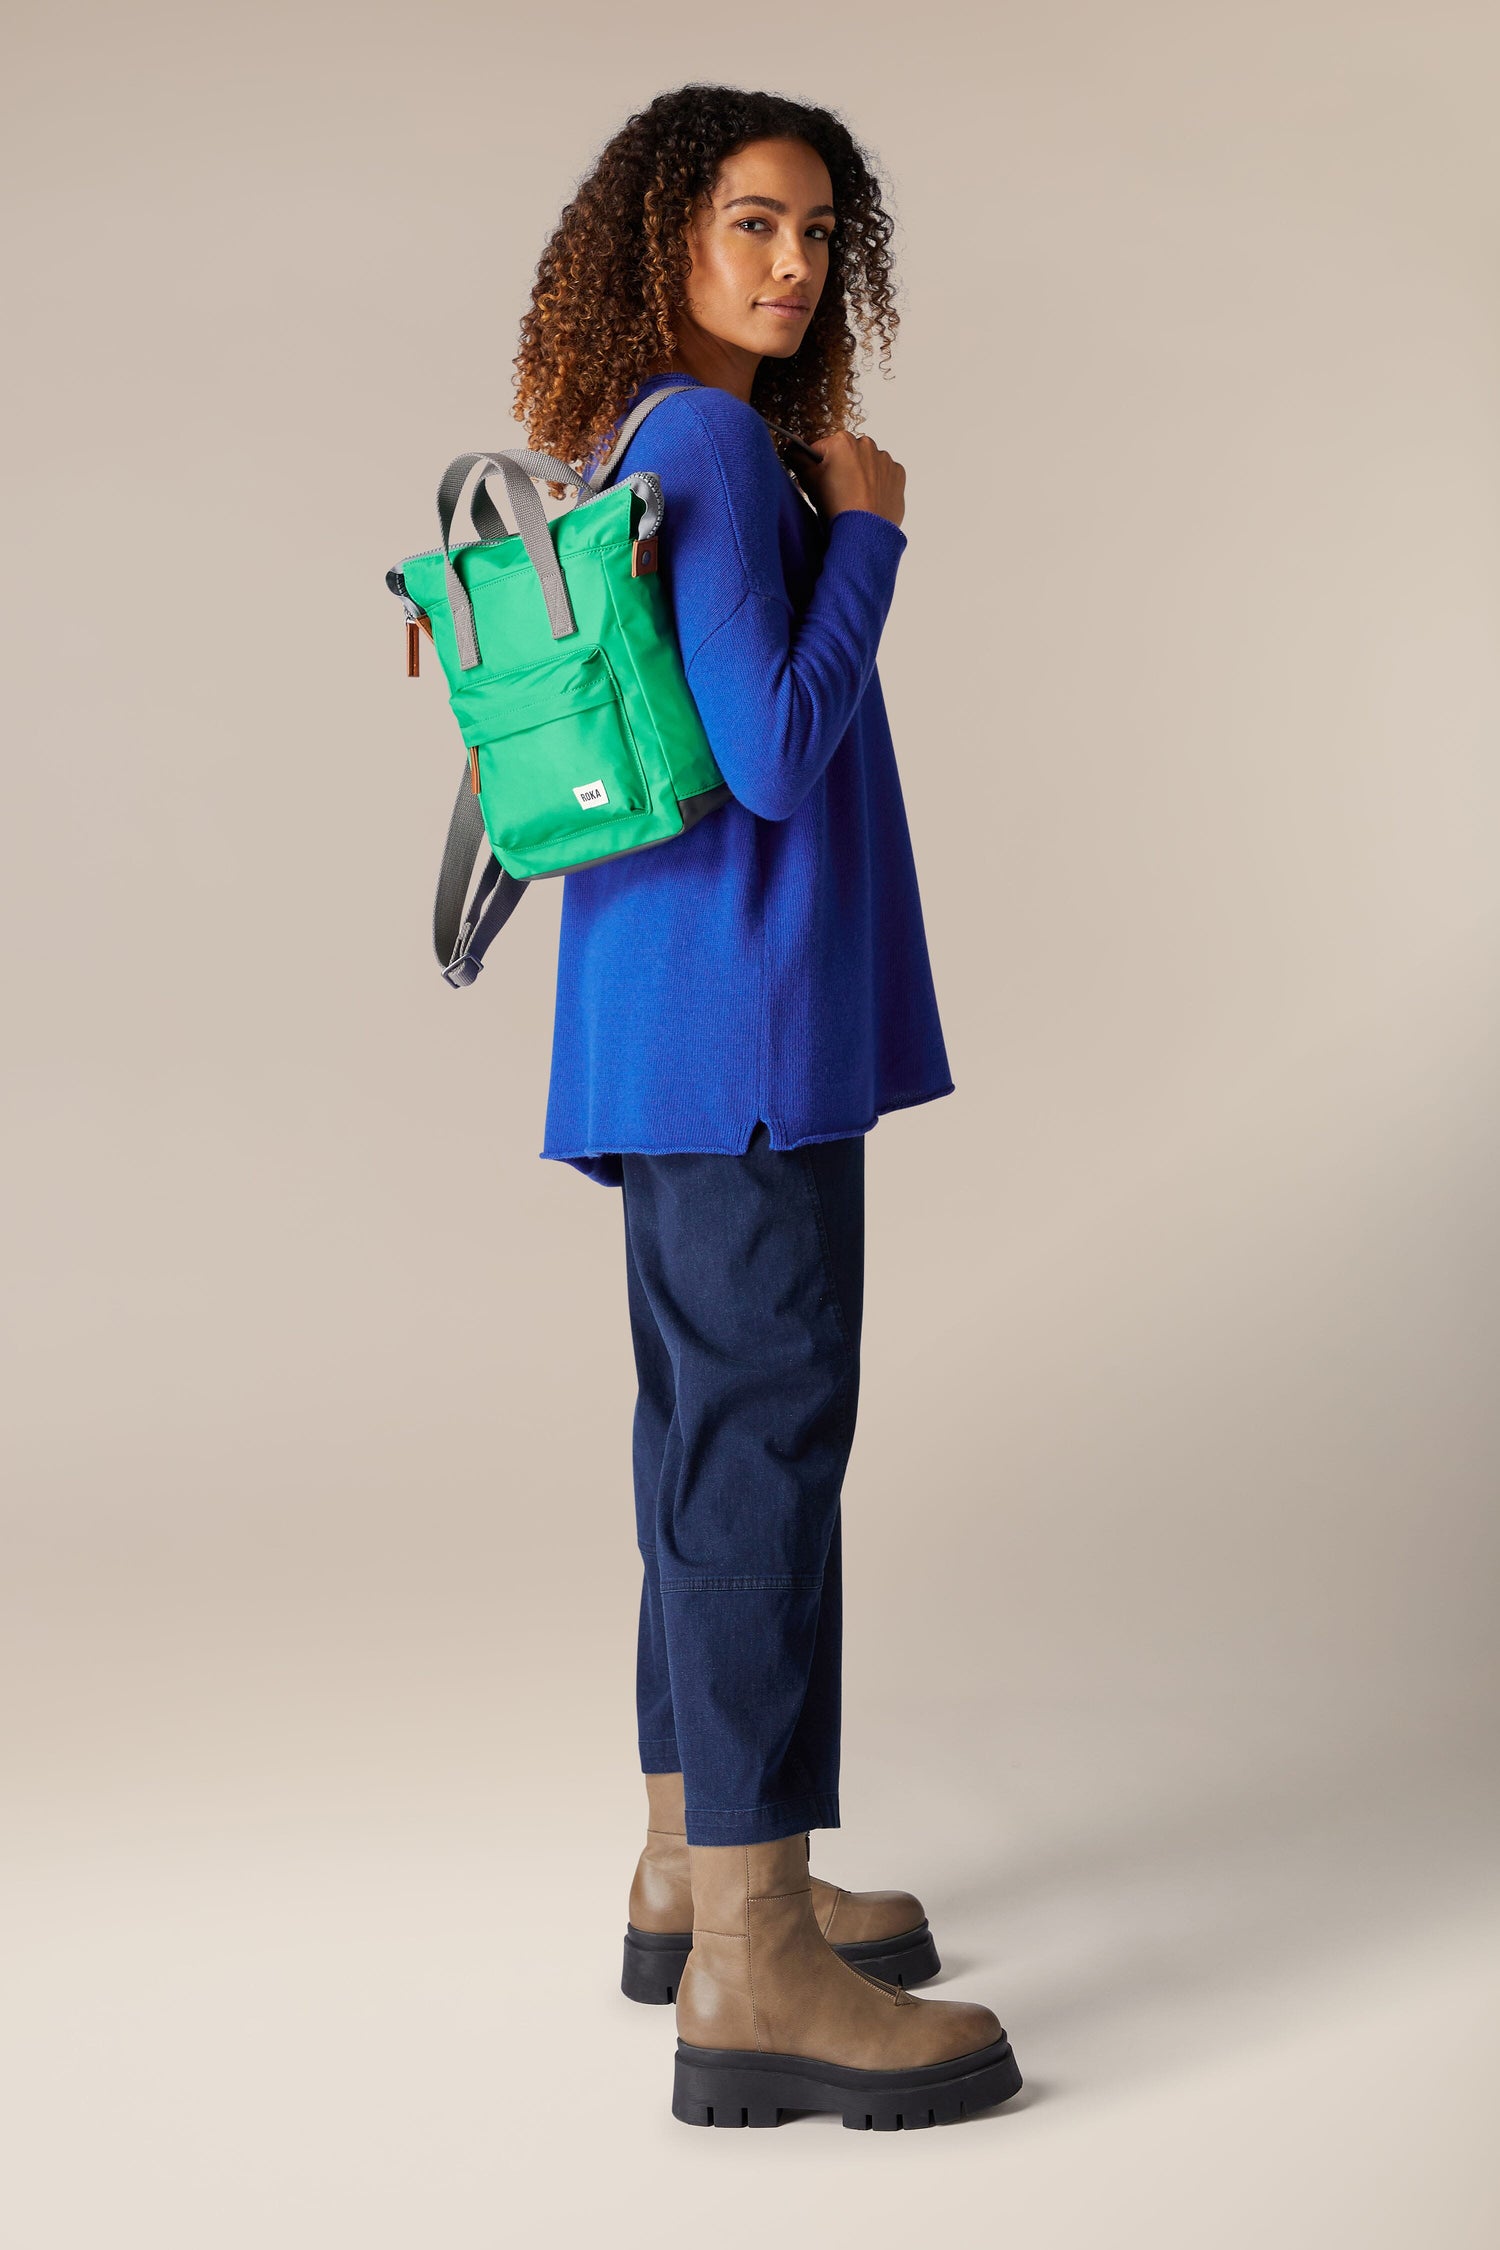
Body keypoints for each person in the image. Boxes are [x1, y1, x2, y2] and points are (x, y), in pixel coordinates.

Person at [510, 84, 1020, 2129]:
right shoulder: (718, 443)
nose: (796, 266)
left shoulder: (638, 439)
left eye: (817, 232)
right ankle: (756, 1967)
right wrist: (877, 524)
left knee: (700, 1448)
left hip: (669, 1040)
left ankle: (698, 1870)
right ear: (670, 237)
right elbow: (780, 751)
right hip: (745, 1048)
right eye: (753, 225)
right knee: (762, 1461)